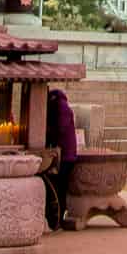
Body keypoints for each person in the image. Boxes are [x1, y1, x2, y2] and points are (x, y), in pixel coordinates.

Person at [42, 88, 78, 229]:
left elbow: (60, 128)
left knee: (60, 187)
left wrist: (48, 133)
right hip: (62, 153)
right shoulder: (55, 105)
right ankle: (55, 217)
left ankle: (58, 219)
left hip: (66, 155)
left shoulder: (61, 106)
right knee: (56, 186)